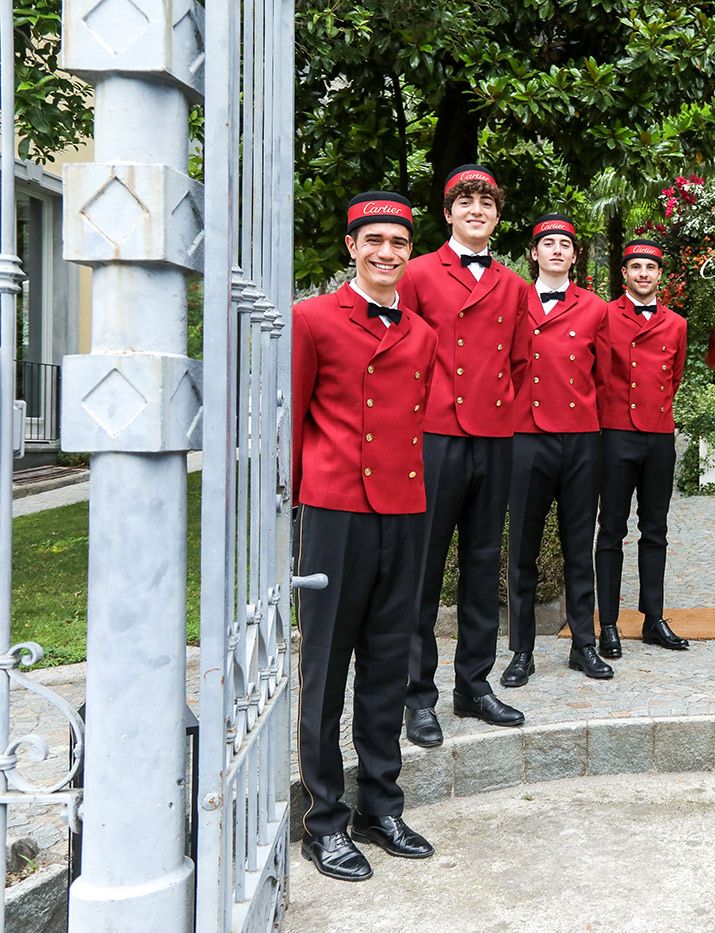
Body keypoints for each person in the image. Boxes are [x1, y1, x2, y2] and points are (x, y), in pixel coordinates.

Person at [291, 191, 438, 882]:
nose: (386, 252)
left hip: (403, 508)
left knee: (387, 664)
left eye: (398, 242)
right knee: (324, 669)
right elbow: (294, 421)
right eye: (373, 240)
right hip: (335, 508)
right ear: (351, 247)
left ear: (410, 252)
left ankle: (381, 804)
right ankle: (324, 821)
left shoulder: (422, 332)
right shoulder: (312, 319)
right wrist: (293, 510)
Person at [397, 164, 529, 744]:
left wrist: (502, 411)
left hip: (493, 437)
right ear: (448, 213)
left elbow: (522, 363)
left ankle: (473, 685)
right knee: (422, 568)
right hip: (435, 434)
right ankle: (415, 695)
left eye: (487, 203)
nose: (477, 211)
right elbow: (397, 353)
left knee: (481, 567)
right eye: (466, 202)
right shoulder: (419, 272)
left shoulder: (514, 284)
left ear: (497, 216)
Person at [502, 214, 614, 685]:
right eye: (547, 243)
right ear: (534, 253)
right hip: (526, 434)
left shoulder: (594, 307)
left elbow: (604, 377)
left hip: (579, 436)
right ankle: (521, 651)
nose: (555, 250)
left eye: (564, 244)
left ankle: (583, 646)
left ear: (574, 255)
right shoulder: (512, 300)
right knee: (522, 549)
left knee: (577, 545)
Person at [594, 239, 690, 657]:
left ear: (659, 275)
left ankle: (654, 618)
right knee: (611, 528)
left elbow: (675, 375)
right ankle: (609, 625)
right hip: (615, 432)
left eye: (651, 267)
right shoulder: (604, 315)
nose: (644, 274)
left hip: (657, 434)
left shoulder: (676, 324)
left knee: (656, 528)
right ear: (625, 274)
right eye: (636, 267)